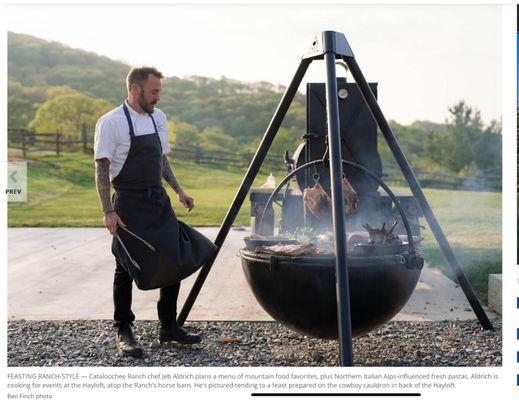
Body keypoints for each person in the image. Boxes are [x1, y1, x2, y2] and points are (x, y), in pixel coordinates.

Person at [94, 66, 216, 358]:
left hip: (157, 201)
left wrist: (178, 190)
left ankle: (168, 326)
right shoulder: (110, 122)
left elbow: (161, 159)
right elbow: (101, 169)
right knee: (125, 265)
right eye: (154, 91)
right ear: (135, 89)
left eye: (159, 91)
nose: (158, 97)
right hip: (128, 203)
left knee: (174, 256)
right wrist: (108, 211)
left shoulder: (158, 118)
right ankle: (123, 330)